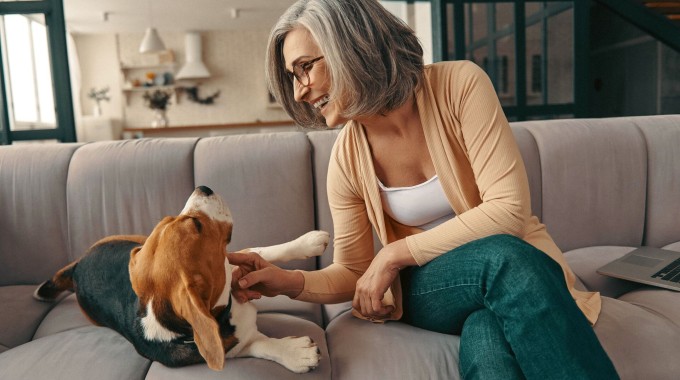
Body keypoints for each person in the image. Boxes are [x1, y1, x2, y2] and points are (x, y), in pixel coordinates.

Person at [229, 0, 619, 378]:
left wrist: (394, 254)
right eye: (293, 76)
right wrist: (287, 281)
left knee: (487, 334)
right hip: (433, 288)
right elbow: (353, 270)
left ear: (349, 45)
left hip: (510, 274)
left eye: (305, 68)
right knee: (506, 260)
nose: (299, 91)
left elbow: (509, 209)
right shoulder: (347, 160)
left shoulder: (459, 85)